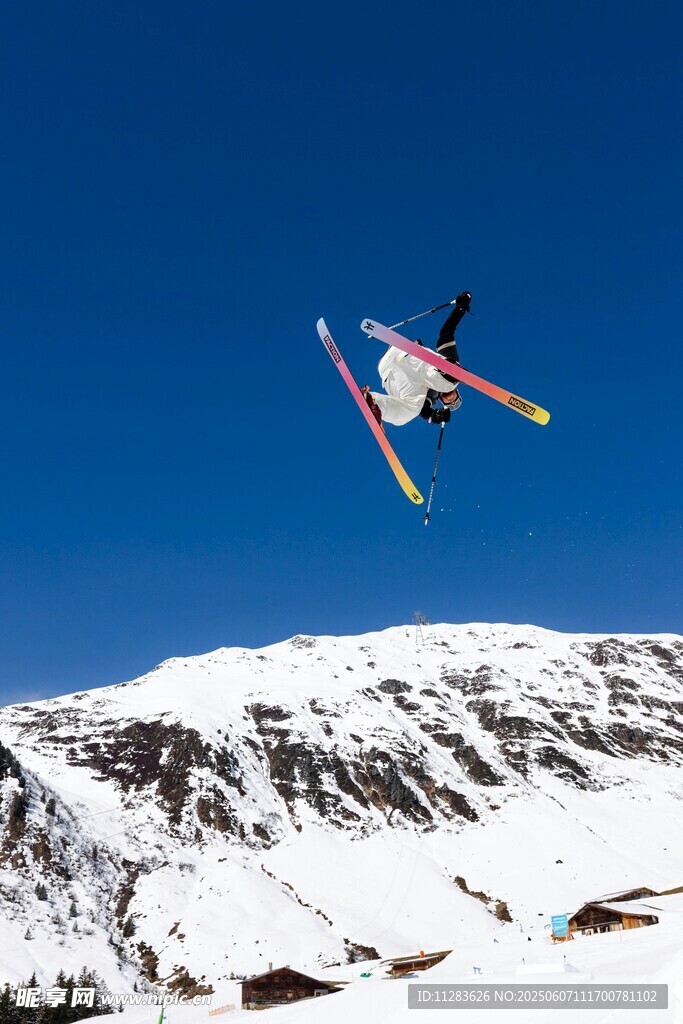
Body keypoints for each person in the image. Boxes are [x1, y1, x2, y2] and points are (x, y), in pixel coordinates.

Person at [362, 291, 472, 427]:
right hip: (407, 355)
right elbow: (446, 334)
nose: (451, 400)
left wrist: (435, 416)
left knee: (409, 413)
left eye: (449, 403)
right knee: (447, 383)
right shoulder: (448, 374)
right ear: (457, 394)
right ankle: (452, 373)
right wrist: (460, 309)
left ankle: (374, 403)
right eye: (455, 400)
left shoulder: (432, 396)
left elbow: (423, 411)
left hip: (388, 372)